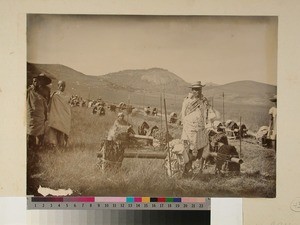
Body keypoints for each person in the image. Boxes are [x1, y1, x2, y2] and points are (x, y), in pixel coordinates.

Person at [181, 81, 209, 175]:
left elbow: (207, 113)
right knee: (189, 149)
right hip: (189, 129)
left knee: (201, 148)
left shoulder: (204, 101)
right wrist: (186, 125)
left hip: (200, 128)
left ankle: (199, 170)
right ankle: (187, 168)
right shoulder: (187, 101)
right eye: (195, 89)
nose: (197, 91)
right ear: (192, 90)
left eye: (199, 89)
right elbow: (183, 114)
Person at [27, 74, 51, 150]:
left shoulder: (45, 90)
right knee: (31, 130)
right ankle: (31, 146)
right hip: (32, 113)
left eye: (37, 81)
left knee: (41, 131)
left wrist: (45, 113)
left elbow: (46, 101)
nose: (36, 83)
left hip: (41, 113)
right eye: (34, 81)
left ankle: (40, 146)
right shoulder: (30, 90)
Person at [47, 81, 71, 148]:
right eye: (60, 85)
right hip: (56, 115)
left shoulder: (67, 95)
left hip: (63, 116)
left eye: (63, 86)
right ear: (58, 86)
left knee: (61, 131)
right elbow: (50, 104)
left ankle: (61, 145)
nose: (61, 87)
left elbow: (67, 106)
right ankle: (54, 145)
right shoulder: (55, 95)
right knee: (55, 130)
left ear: (65, 87)